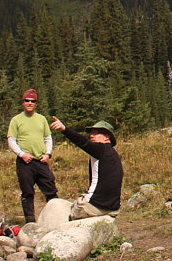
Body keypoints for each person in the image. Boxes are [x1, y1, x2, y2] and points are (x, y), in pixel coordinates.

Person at [49, 116, 123, 220]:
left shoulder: (100, 150)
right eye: (91, 133)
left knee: (63, 215)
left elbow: (83, 142)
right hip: (113, 207)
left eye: (96, 133)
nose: (92, 135)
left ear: (107, 137)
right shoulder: (113, 153)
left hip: (96, 206)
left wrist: (64, 129)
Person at [7, 89, 57, 223]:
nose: (30, 103)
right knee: (28, 192)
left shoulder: (41, 119)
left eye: (32, 101)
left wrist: (48, 154)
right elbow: (11, 140)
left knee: (51, 188)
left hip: (41, 160)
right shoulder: (16, 120)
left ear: (36, 103)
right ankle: (30, 221)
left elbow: (48, 138)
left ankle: (55, 218)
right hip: (25, 162)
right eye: (27, 101)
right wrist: (22, 154)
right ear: (23, 102)